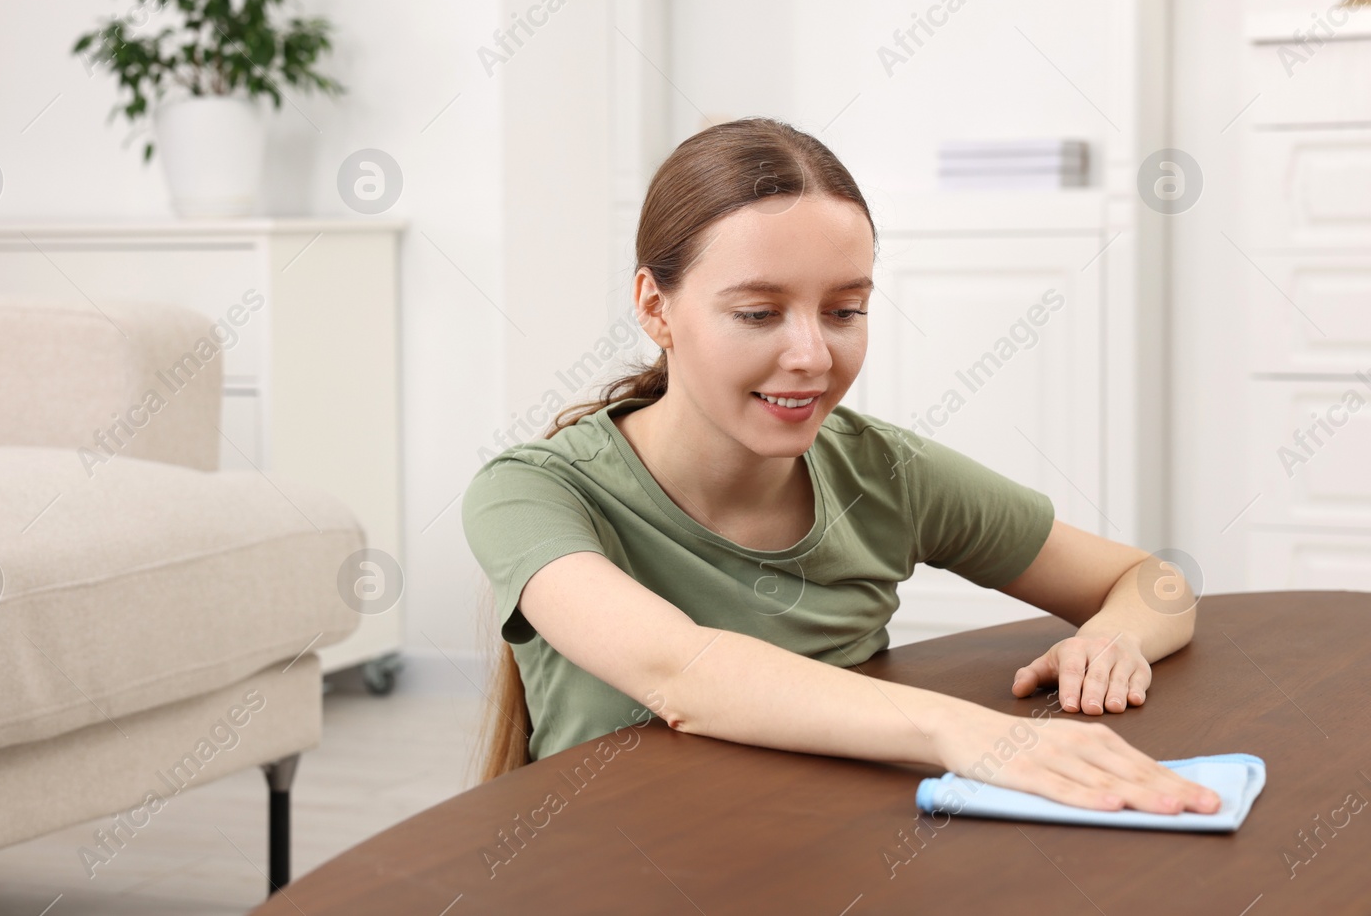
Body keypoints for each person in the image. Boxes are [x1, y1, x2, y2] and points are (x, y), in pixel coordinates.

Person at [460, 116, 1221, 816]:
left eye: (844, 309)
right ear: (656, 307)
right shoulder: (530, 492)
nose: (812, 356)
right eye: (758, 313)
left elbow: (1156, 583)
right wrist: (965, 731)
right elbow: (682, 672)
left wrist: (1116, 638)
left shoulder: (885, 471)